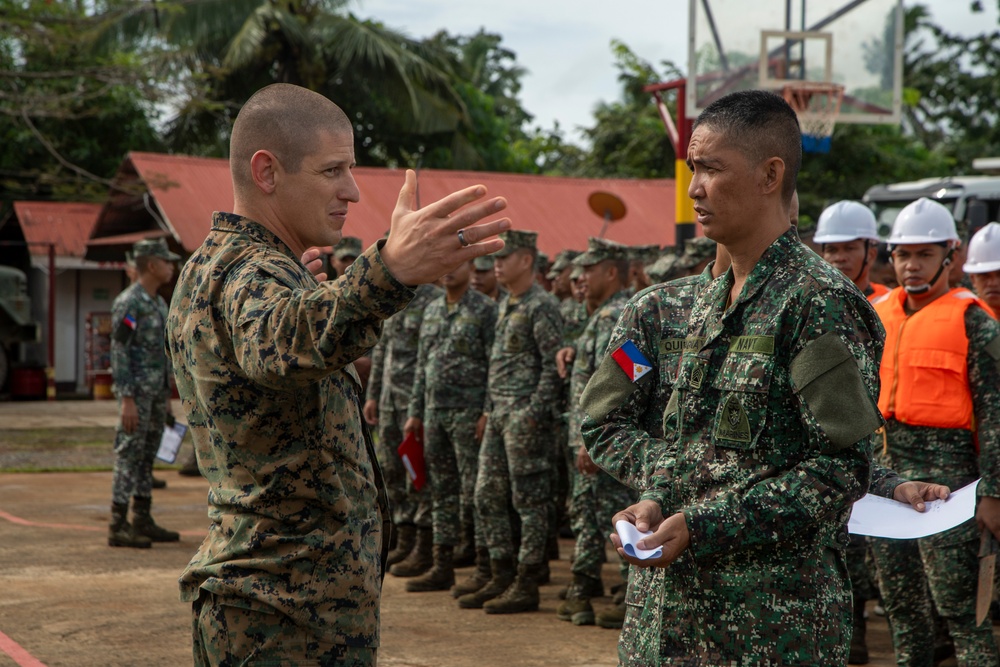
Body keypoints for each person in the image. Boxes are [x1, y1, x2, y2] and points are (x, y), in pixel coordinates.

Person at [165, 83, 509, 667]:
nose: (351, 190)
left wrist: (313, 291)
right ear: (267, 172)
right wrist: (389, 271)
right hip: (284, 612)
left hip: (287, 603)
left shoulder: (238, 266)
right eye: (332, 170)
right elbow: (279, 345)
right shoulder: (248, 272)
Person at [597, 90, 886, 665]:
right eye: (692, 170)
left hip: (767, 627)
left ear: (770, 175)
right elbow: (604, 420)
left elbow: (841, 466)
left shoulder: (817, 306)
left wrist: (707, 524)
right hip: (661, 621)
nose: (694, 189)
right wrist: (657, 490)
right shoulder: (663, 312)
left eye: (711, 169)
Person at [868, 197, 1000, 667]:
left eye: (924, 254)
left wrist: (993, 495)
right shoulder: (878, 314)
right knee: (902, 607)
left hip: (952, 486)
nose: (911, 266)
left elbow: (995, 416)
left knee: (963, 610)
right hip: (886, 479)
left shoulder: (975, 322)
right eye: (902, 254)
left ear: (952, 254)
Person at [458, 230, 563, 614]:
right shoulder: (505, 303)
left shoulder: (542, 305)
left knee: (529, 501)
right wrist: (487, 409)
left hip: (523, 419)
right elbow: (498, 365)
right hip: (499, 415)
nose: (497, 265)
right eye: (496, 259)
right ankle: (500, 572)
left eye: (506, 257)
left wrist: (533, 413)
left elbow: (554, 368)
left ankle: (527, 580)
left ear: (526, 260)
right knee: (486, 493)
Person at [401, 258, 497, 591]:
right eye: (444, 263)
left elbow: (493, 364)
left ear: (472, 268)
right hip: (433, 412)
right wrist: (415, 411)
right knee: (440, 490)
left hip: (468, 414)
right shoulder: (431, 309)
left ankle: (485, 568)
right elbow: (422, 366)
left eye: (458, 264)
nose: (449, 270)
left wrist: (487, 410)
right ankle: (441, 564)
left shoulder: (485, 310)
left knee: (474, 492)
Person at [554, 238, 635, 628]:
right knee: (590, 513)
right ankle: (583, 593)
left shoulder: (614, 316)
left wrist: (593, 437)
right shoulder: (604, 315)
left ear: (610, 272)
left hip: (603, 439)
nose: (579, 275)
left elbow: (631, 375)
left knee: (612, 515)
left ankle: (627, 595)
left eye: (589, 269)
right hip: (599, 436)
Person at [363, 279, 442, 577]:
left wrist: (417, 408)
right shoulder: (392, 294)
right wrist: (373, 394)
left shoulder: (433, 301)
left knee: (417, 474)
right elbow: (382, 350)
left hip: (413, 401)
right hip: (388, 400)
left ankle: (422, 543)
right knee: (393, 470)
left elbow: (425, 361)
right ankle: (401, 536)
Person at [108, 238, 181, 548]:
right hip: (136, 396)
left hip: (154, 394)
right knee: (129, 456)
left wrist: (166, 398)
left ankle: (142, 518)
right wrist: (126, 399)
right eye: (167, 262)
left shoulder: (158, 302)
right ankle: (117, 524)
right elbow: (119, 350)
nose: (172, 267)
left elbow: (162, 354)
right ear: (151, 265)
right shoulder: (130, 303)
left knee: (147, 454)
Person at [814, 200, 890, 301]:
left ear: (871, 254)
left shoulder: (890, 302)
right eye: (831, 250)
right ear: (822, 256)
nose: (840, 258)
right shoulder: (811, 305)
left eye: (849, 248)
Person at [964, 221, 1000, 316]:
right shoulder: (963, 320)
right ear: (973, 280)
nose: (993, 283)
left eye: (999, 275)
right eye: (984, 275)